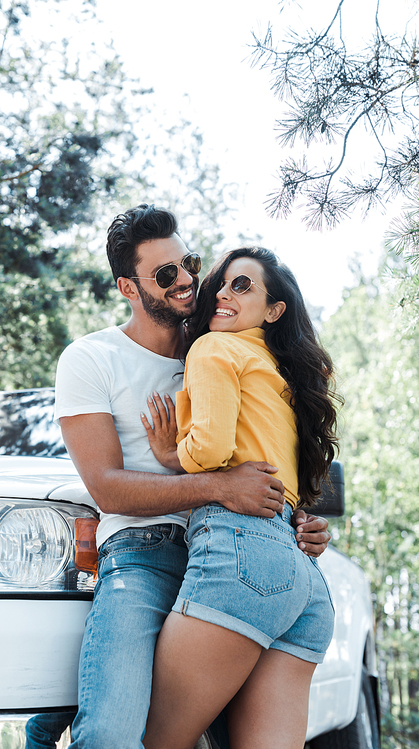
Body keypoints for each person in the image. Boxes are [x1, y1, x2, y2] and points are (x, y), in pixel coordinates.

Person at [52, 205, 331, 749]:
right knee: (109, 733)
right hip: (145, 553)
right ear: (127, 287)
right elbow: (107, 487)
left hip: (238, 550)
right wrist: (219, 486)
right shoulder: (91, 359)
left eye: (190, 264)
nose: (186, 281)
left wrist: (298, 518)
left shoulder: (224, 343)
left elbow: (267, 452)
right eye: (165, 274)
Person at [141, 247, 340, 749]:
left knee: (156, 740)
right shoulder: (279, 376)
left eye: (243, 286)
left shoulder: (214, 348)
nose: (225, 294)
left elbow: (209, 448)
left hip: (242, 559)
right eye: (223, 284)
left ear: (274, 311)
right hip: (303, 584)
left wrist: (170, 454)